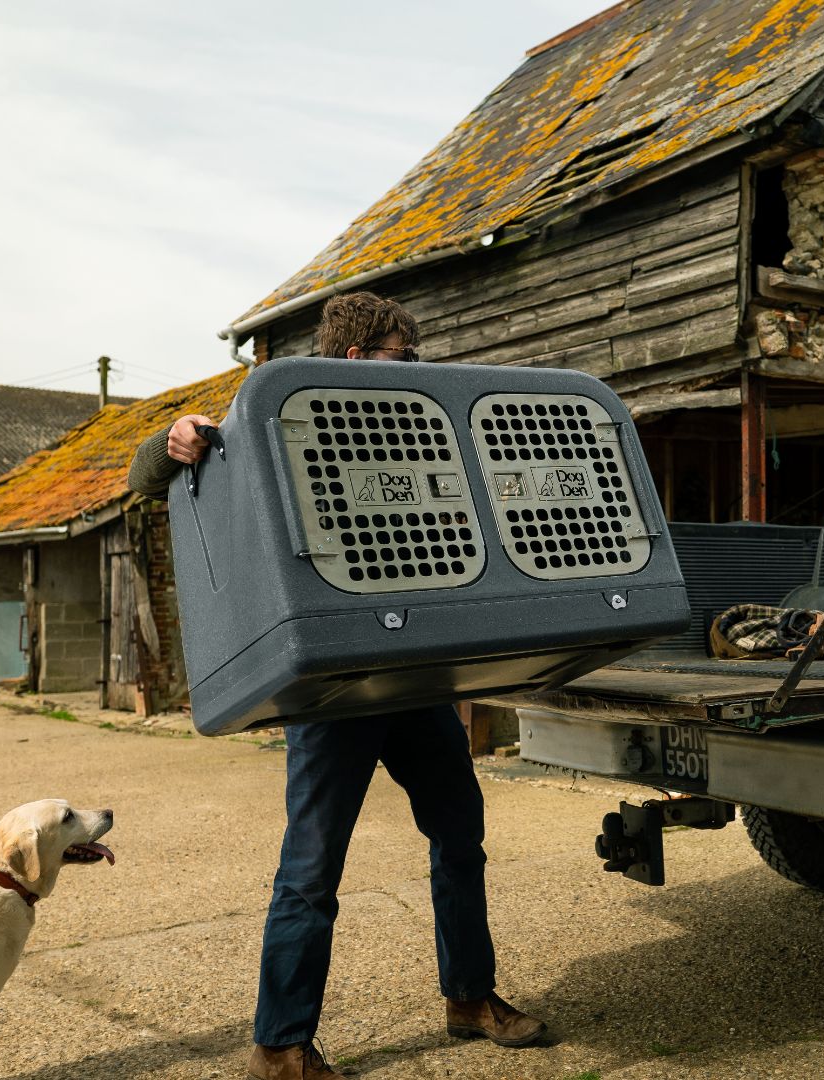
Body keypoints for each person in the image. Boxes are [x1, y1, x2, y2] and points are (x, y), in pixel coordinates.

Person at [128, 292, 546, 1080]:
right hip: (335, 687)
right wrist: (170, 437)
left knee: (461, 833)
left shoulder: (423, 428)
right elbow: (149, 474)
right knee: (312, 868)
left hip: (415, 676)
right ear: (355, 361)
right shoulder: (278, 418)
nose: (414, 370)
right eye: (401, 355)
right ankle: (280, 1045)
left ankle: (470, 996)